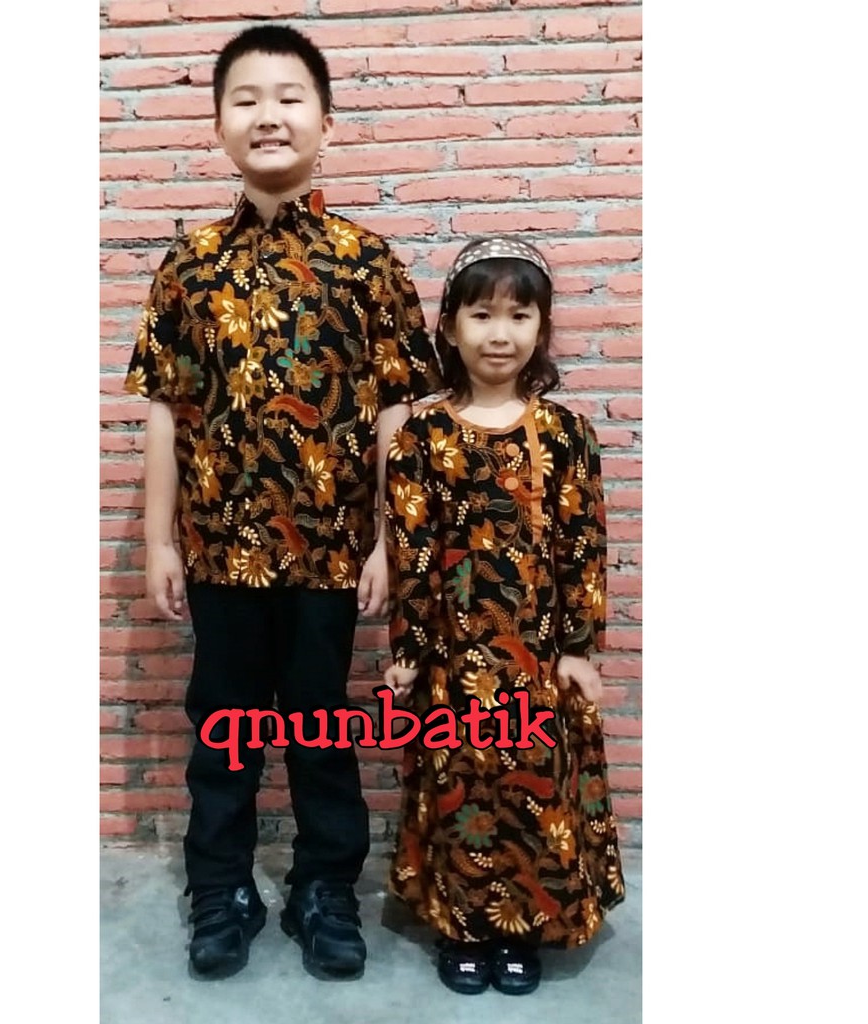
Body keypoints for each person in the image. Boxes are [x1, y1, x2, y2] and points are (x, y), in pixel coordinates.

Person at [123, 23, 442, 979]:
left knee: (319, 729)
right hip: (219, 551)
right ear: (218, 125)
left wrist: (388, 538)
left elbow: (395, 416)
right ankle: (220, 889)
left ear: (326, 122)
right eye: (247, 99)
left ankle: (324, 890)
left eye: (291, 97)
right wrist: (158, 542)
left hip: (333, 553)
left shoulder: (368, 263)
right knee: (222, 730)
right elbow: (167, 412)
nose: (269, 115)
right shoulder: (189, 266)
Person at [382, 237, 625, 996]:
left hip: (539, 659)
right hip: (454, 663)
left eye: (519, 316)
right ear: (449, 326)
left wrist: (580, 649)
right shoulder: (422, 438)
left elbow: (583, 546)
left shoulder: (566, 435)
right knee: (460, 792)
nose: (499, 334)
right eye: (481, 314)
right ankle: (463, 927)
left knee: (533, 790)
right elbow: (412, 552)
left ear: (541, 328)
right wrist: (409, 651)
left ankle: (525, 927)